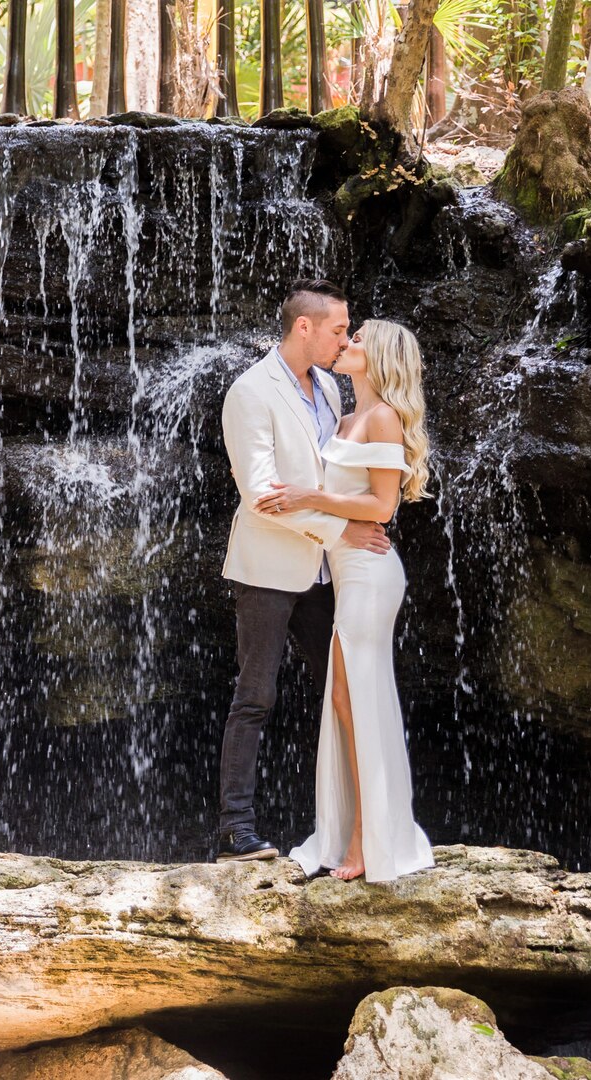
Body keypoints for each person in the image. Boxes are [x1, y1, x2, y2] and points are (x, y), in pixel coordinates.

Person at [215, 280, 391, 865]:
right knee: (255, 695)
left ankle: (354, 828)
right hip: (268, 568)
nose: (346, 339)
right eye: (339, 329)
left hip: (325, 573)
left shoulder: (333, 393)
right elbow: (264, 495)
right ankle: (237, 830)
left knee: (344, 693)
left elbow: (332, 483)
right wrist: (342, 530)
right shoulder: (250, 392)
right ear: (305, 328)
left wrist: (353, 526)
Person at [255, 319, 435, 883]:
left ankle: (366, 842)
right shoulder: (350, 415)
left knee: (356, 699)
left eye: (357, 339)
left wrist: (310, 497)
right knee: (348, 700)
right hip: (351, 570)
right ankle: (361, 830)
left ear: (377, 355)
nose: (346, 343)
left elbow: (382, 507)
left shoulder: (380, 417)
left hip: (371, 573)